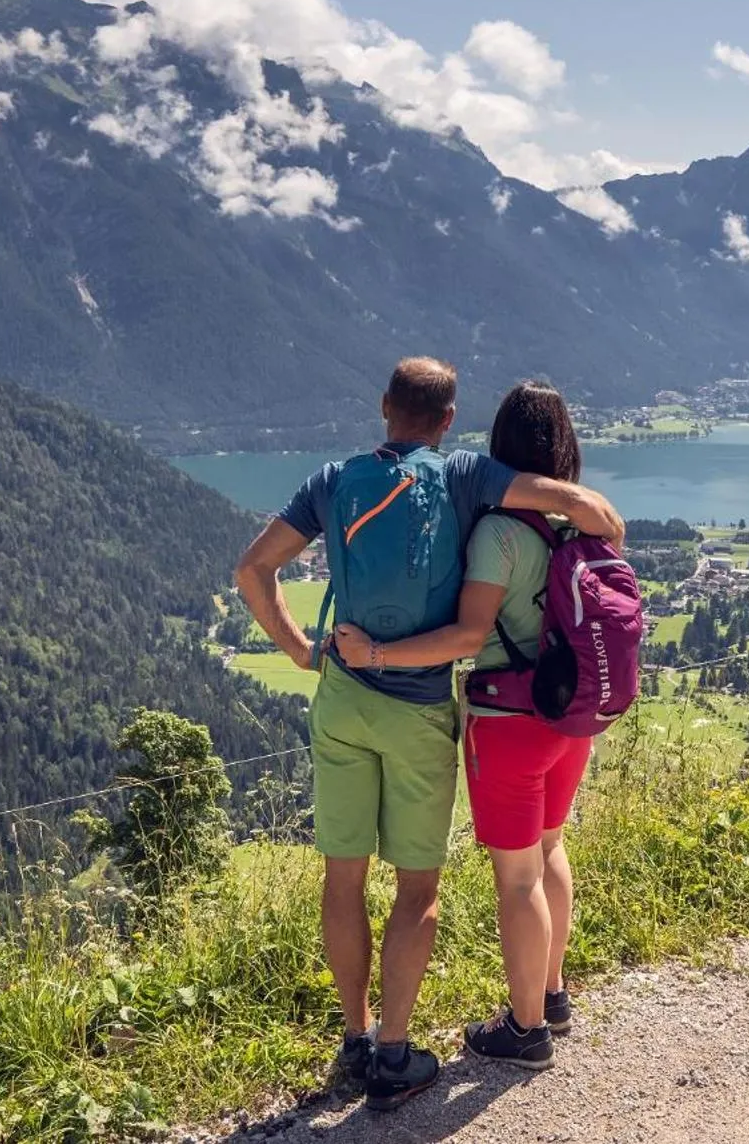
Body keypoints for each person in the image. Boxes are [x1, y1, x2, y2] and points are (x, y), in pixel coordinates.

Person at [233, 359, 623, 1112]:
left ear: (384, 408)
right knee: (418, 891)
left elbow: (253, 570)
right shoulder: (465, 476)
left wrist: (298, 651)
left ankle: (352, 1037)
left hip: (342, 699)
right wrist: (603, 518)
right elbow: (573, 500)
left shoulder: (329, 479)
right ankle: (393, 1052)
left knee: (341, 879)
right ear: (447, 421)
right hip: (417, 712)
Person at [333, 381, 595, 1071]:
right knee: (549, 850)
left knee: (516, 879)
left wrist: (380, 654)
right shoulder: (580, 522)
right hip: (573, 718)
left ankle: (526, 1029)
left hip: (510, 721)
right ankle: (553, 993)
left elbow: (468, 633)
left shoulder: (498, 532)